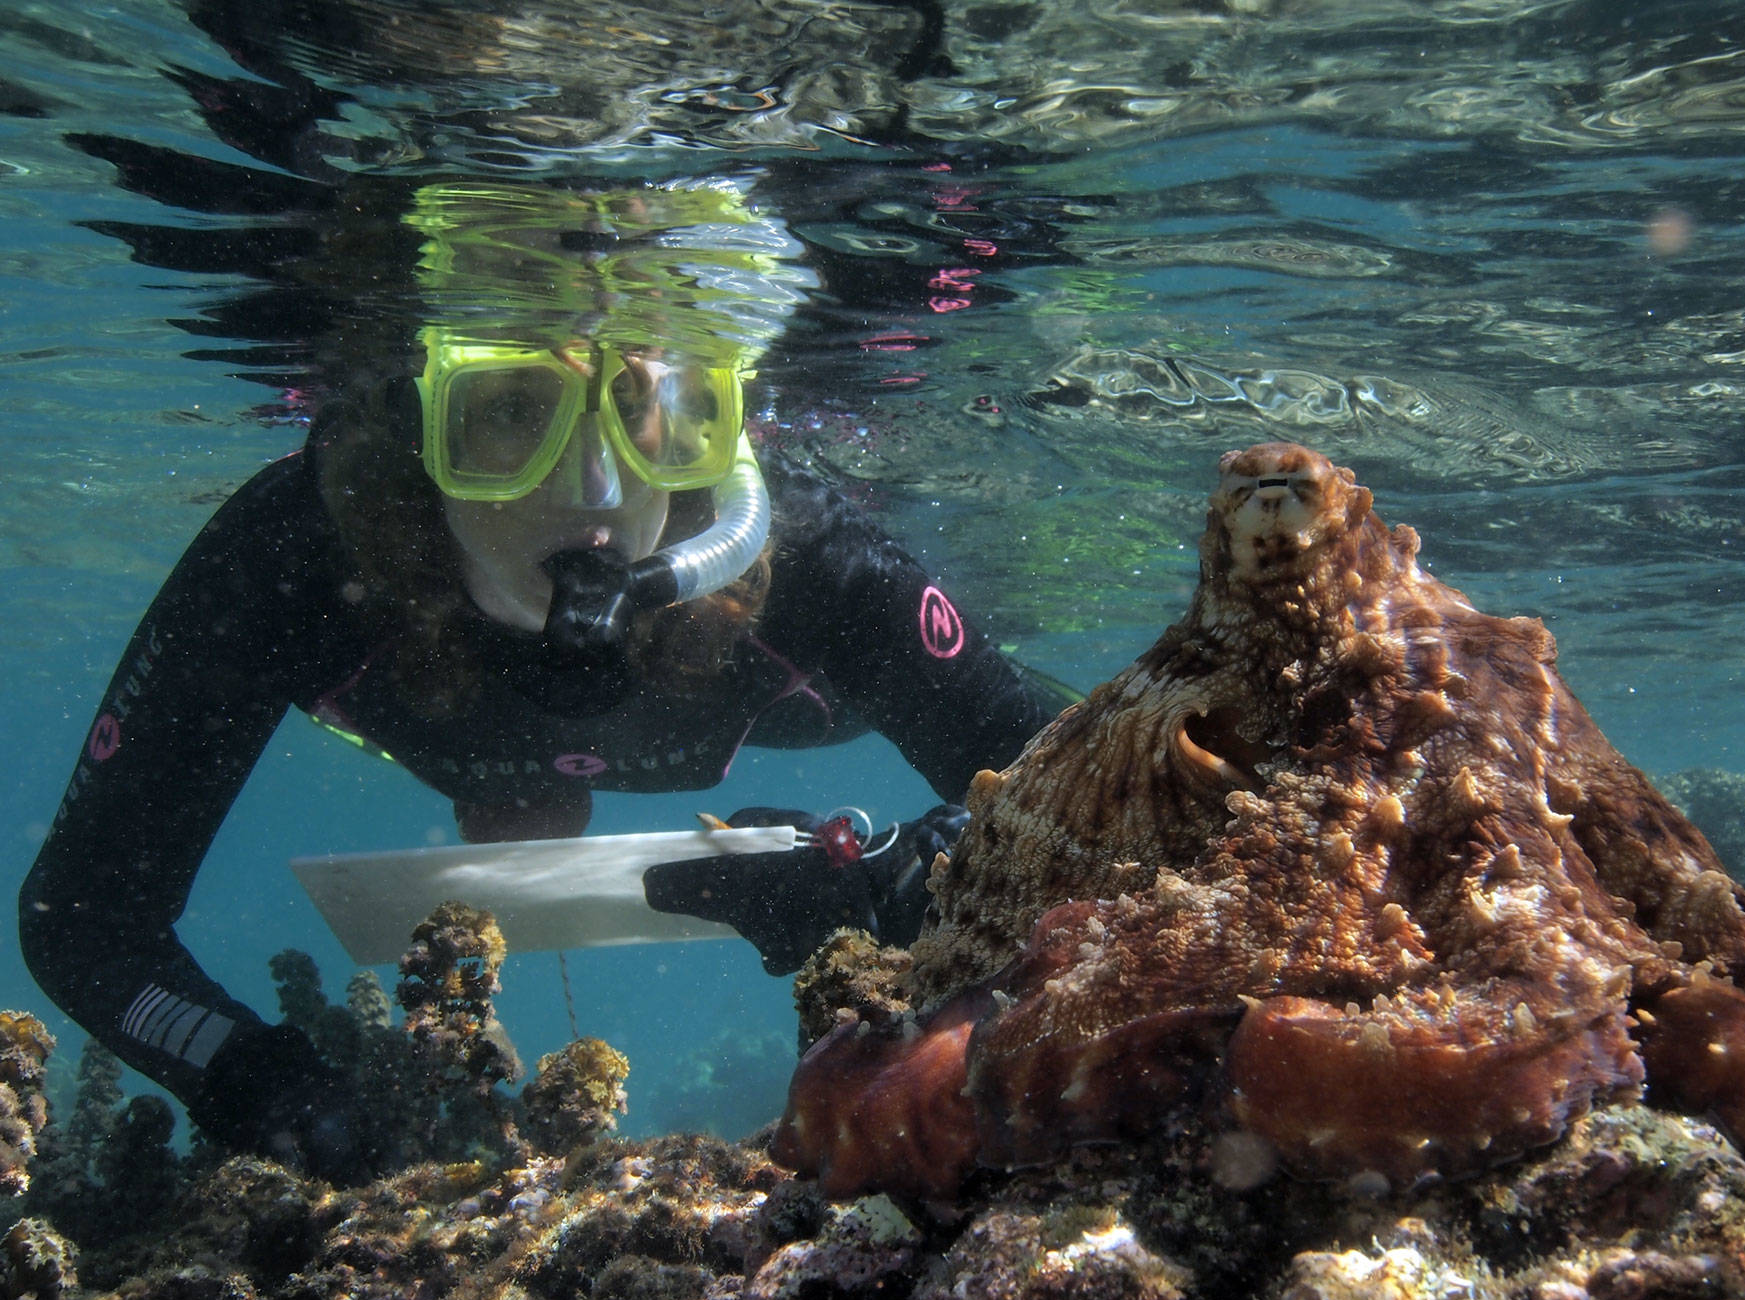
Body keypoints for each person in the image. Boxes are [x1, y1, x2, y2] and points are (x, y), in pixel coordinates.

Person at [18, 181, 1058, 1176]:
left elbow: (1088, 782)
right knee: (517, 790)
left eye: (640, 407)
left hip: (787, 722)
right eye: (512, 411)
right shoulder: (288, 564)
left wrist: (920, 870)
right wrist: (254, 1079)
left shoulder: (817, 569)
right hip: (446, 721)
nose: (592, 488)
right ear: (419, 437)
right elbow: (84, 924)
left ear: (706, 428)